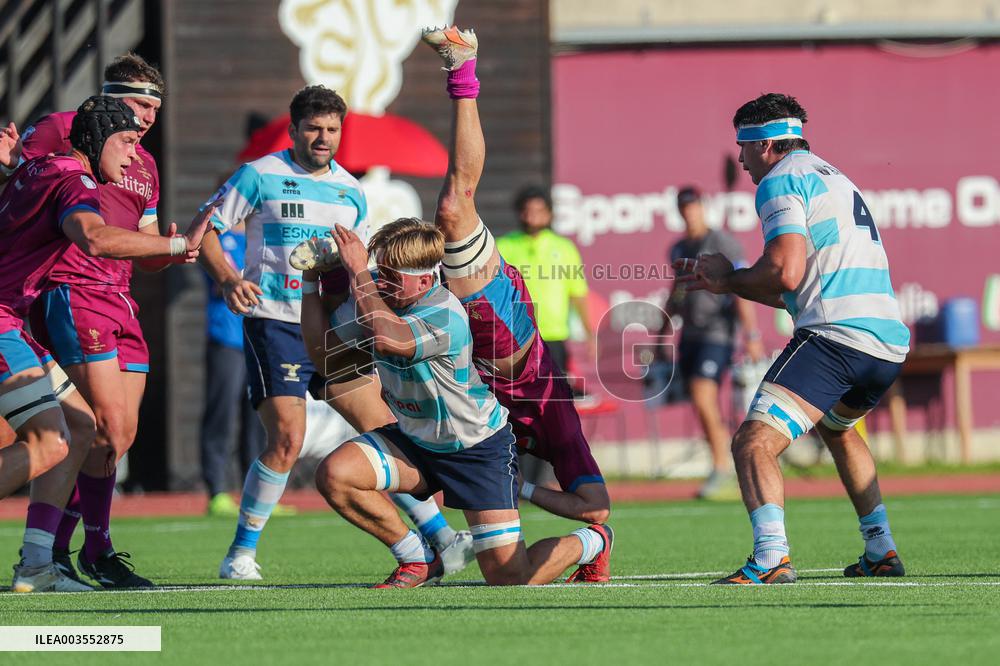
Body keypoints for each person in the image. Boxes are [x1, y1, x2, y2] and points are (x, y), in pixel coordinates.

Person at [199, 85, 468, 580]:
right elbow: (206, 229)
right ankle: (240, 554)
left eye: (332, 129)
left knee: (385, 430)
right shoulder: (260, 175)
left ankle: (442, 538)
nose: (324, 138)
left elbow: (352, 263)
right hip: (276, 323)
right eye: (314, 128)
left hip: (333, 325)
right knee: (287, 439)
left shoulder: (351, 191)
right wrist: (229, 278)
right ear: (295, 128)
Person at [676, 93, 909, 584]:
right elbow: (791, 290)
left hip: (837, 337)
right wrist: (740, 281)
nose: (740, 160)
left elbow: (784, 272)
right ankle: (880, 547)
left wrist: (727, 279)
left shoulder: (781, 179)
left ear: (764, 145)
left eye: (742, 147)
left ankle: (771, 556)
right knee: (839, 429)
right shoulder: (832, 175)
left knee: (753, 442)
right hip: (884, 343)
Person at [314, 218, 613, 588]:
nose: (382, 282)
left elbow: (389, 337)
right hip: (416, 442)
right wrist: (315, 280)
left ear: (425, 281)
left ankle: (594, 542)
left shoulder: (445, 312)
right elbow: (323, 348)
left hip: (476, 450)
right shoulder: (377, 294)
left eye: (392, 276)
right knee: (336, 475)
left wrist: (357, 270)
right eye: (380, 271)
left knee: (510, 578)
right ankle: (418, 557)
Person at [418, 27, 612, 576]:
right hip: (510, 334)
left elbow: (594, 510)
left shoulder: (547, 424)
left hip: (473, 371)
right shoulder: (556, 414)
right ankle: (463, 70)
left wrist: (518, 486)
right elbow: (595, 504)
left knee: (509, 578)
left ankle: (595, 548)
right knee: (454, 207)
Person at [0, 96, 211, 592]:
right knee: (49, 442)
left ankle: (36, 565)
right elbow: (94, 237)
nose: (135, 155)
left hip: (14, 320)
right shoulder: (76, 182)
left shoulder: (38, 168)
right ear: (96, 140)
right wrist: (178, 245)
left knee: (78, 424)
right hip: (2, 321)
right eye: (128, 142)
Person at [664, 186, 764, 499]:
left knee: (703, 395)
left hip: (717, 333)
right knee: (700, 402)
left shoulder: (722, 242)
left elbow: (740, 287)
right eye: (683, 207)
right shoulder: (678, 247)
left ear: (703, 207)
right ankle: (725, 464)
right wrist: (661, 327)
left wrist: (751, 335)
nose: (689, 212)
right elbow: (677, 290)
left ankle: (722, 467)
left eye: (693, 206)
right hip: (690, 334)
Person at [199, 225, 266, 516]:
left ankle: (258, 493)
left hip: (258, 339)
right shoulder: (217, 239)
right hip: (226, 339)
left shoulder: (260, 238)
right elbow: (223, 281)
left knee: (259, 418)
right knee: (221, 415)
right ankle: (217, 492)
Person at [496, 186, 596, 376]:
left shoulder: (564, 247)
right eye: (528, 211)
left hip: (554, 335)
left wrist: (589, 334)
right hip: (517, 336)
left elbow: (577, 293)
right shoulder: (503, 246)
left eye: (539, 211)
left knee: (554, 396)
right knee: (519, 397)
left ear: (549, 214)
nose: (532, 216)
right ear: (520, 213)